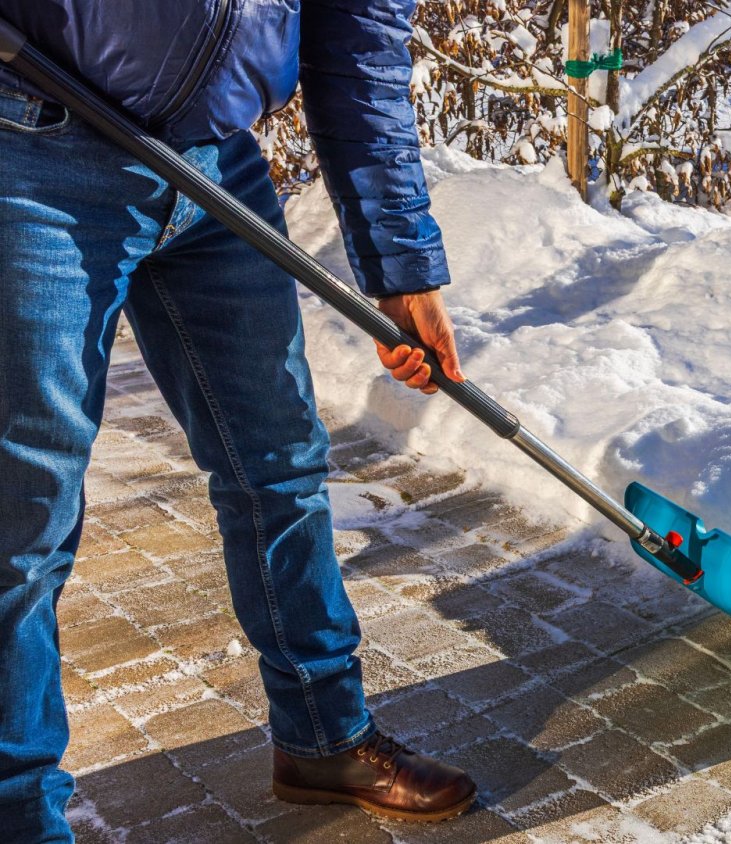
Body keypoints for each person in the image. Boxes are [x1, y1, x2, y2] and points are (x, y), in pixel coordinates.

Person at [0, 1, 478, 838]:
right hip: (35, 145)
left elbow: (358, 51)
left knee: (281, 465)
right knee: (23, 519)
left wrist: (402, 267)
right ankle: (19, 816)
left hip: (215, 164)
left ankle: (323, 737)